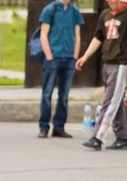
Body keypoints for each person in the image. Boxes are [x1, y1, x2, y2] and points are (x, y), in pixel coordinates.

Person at [77, 0, 127, 150]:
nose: (112, 1)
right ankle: (122, 138)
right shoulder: (105, 15)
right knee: (116, 102)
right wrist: (85, 56)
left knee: (110, 101)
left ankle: (98, 137)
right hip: (107, 62)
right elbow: (98, 37)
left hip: (121, 63)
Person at [37, 0, 83, 139]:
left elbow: (77, 35)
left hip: (69, 58)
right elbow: (43, 34)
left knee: (64, 96)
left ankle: (59, 127)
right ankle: (44, 127)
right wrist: (49, 55)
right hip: (53, 58)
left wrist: (75, 55)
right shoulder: (50, 10)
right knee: (47, 94)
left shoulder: (74, 11)